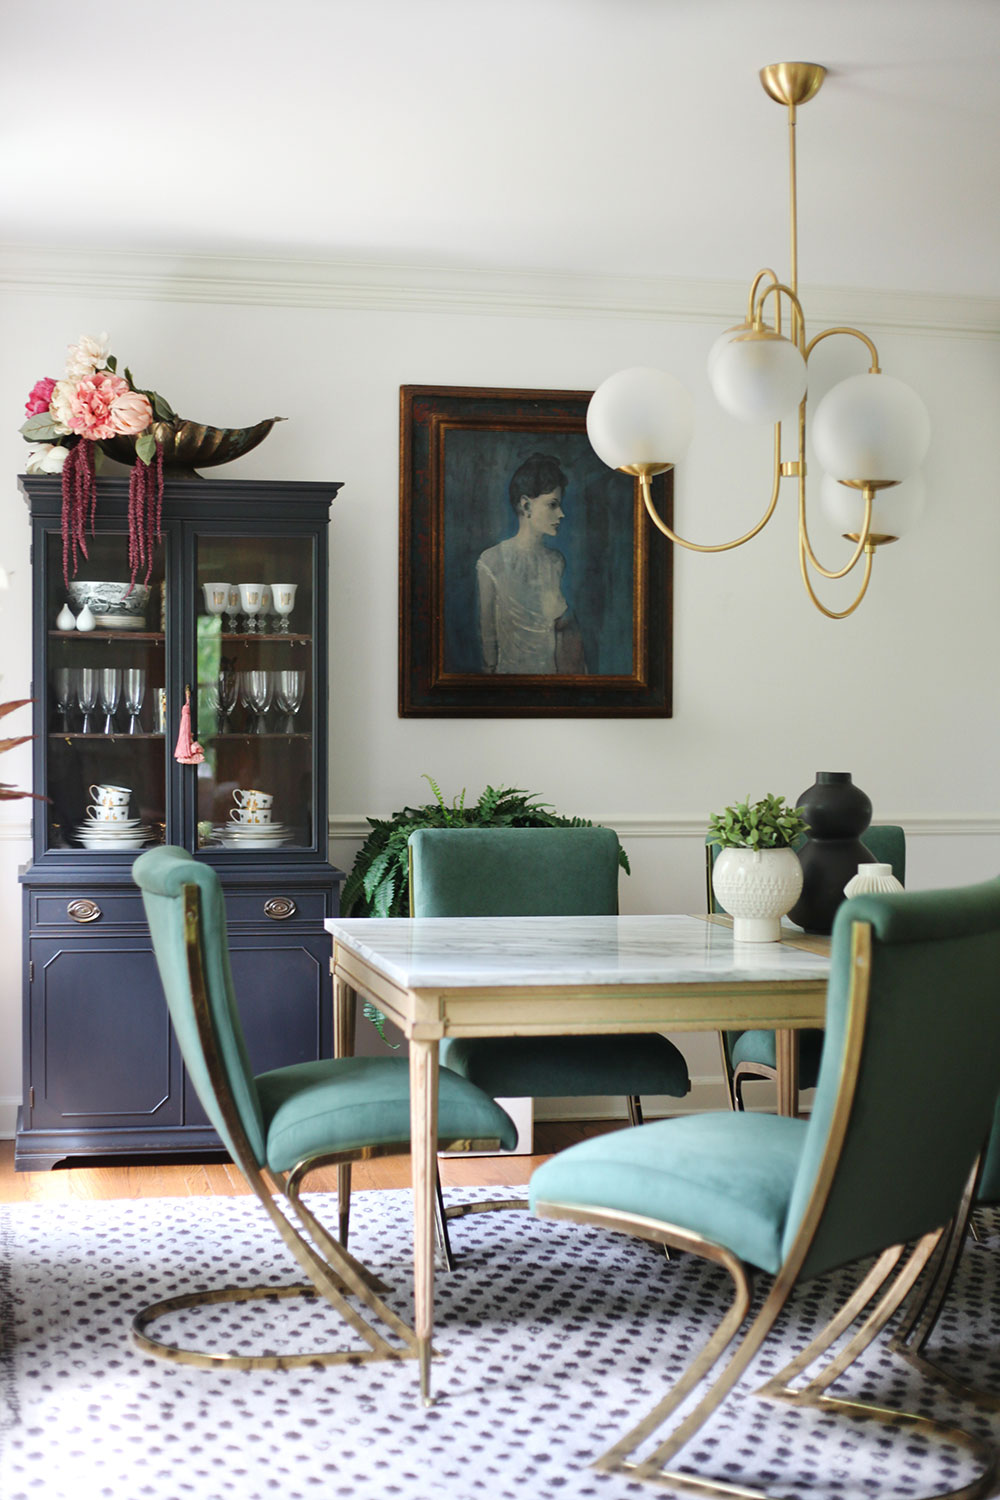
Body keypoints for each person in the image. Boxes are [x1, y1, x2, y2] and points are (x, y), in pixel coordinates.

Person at [476, 453, 587, 675]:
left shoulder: (556, 562)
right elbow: (488, 641)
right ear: (526, 506)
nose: (561, 514)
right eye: (552, 505)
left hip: (552, 679)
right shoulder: (491, 561)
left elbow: (561, 632)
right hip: (509, 683)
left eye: (560, 505)